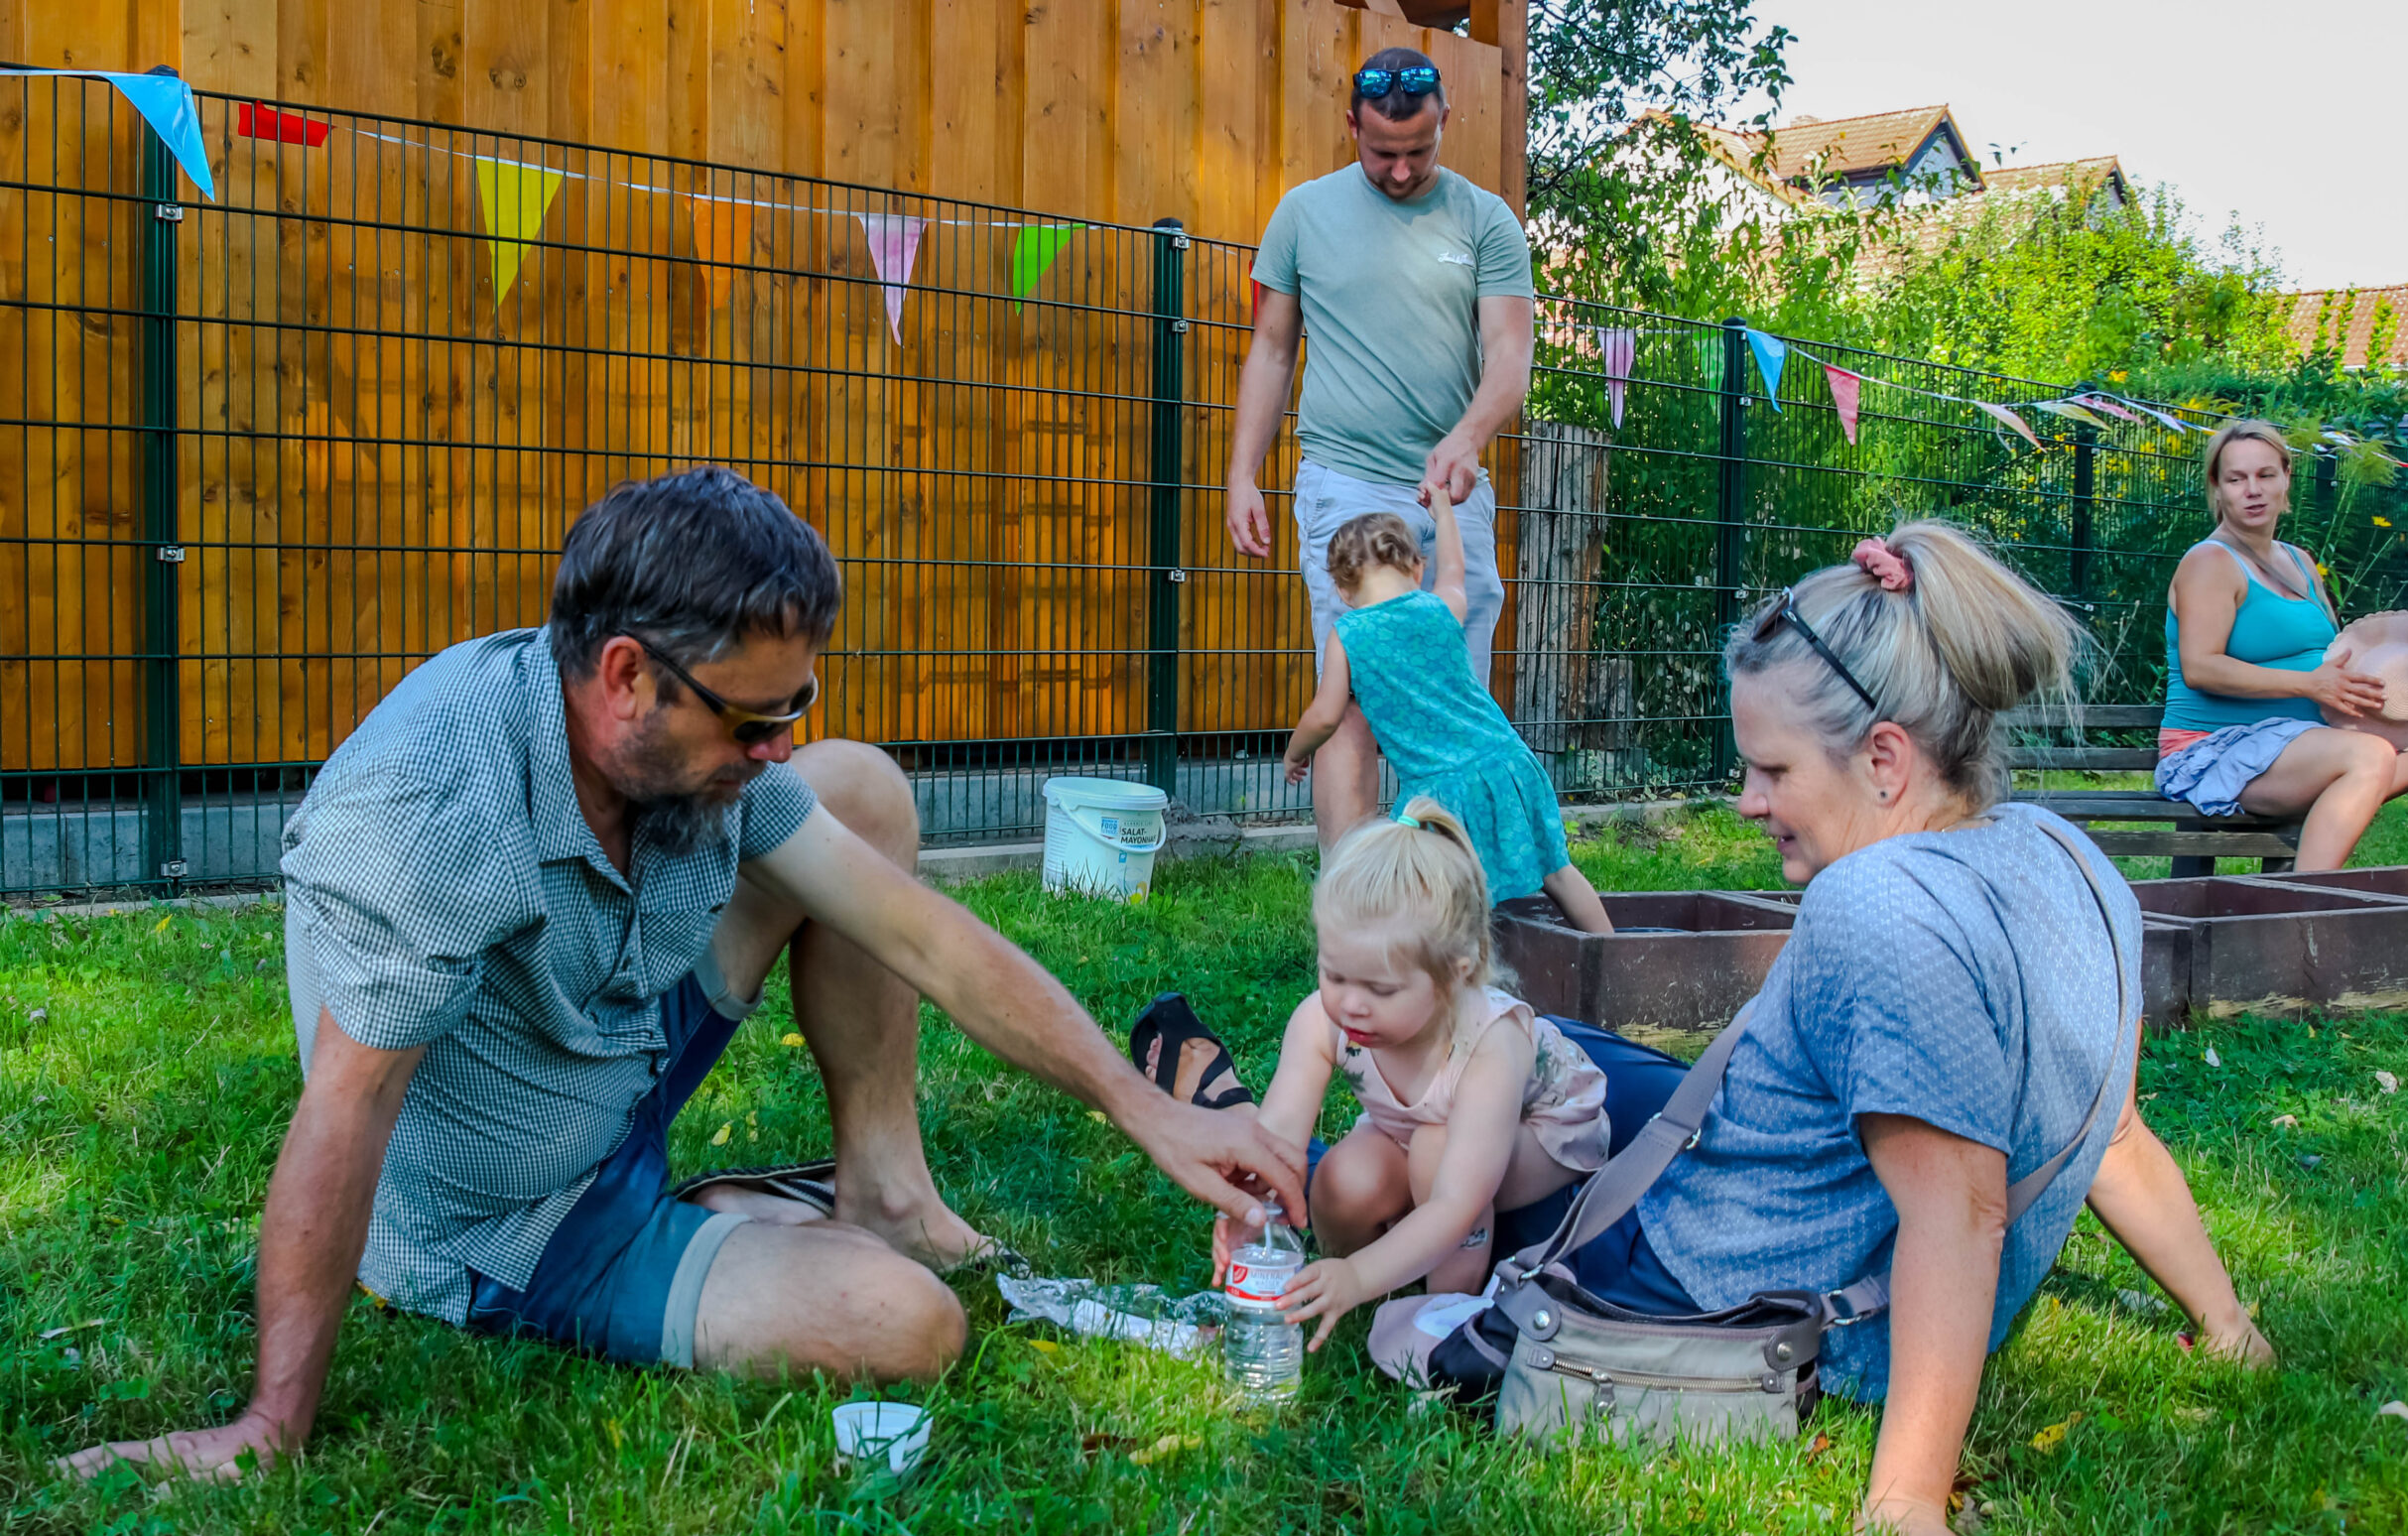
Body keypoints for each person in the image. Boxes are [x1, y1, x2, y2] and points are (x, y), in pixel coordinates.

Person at [62, 467, 1301, 1483]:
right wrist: (269, 1424)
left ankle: (880, 1192)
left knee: (858, 792)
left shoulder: (686, 748)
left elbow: (923, 938)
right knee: (911, 1327)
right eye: (753, 722)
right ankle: (719, 1229)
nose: (778, 747)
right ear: (622, 677)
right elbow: (347, 1108)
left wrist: (1150, 1110)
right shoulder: (430, 812)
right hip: (526, 1217)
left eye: (792, 705)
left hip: (617, 1050)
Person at [1546, 523, 2275, 1536]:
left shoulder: (1874, 905)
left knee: (1441, 1122)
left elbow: (1959, 1217)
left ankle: (1228, 1117)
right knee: (1556, 1052)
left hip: (1710, 1288)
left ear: (1884, 758)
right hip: (1776, 1173)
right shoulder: (2070, 858)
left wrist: (1907, 1515)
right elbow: (2111, 1137)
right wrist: (2229, 1326)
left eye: (1771, 769)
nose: (1747, 800)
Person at [1226, 45, 1536, 848]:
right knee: (1354, 699)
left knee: (1455, 703)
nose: (1400, 172)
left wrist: (1469, 437)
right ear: (1351, 126)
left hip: (1451, 492)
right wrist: (1241, 475)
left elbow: (1509, 354)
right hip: (1347, 489)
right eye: (1382, 154)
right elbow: (1271, 350)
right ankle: (1353, 912)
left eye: (1418, 153)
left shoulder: (1485, 220)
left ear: (1445, 124)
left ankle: (1456, 907)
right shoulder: (1303, 213)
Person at [1193, 801, 1611, 1346]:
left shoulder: (1491, 1045)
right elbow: (1277, 1141)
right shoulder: (1324, 1021)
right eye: (1333, 974)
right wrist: (1254, 1208)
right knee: (1343, 1179)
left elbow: (1458, 1199)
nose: (1351, 1005)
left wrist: (1362, 1277)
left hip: (1544, 1132)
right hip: (1418, 1132)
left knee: (1438, 1157)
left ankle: (1443, 1317)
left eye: (1381, 990)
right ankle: (1354, 1283)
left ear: (1454, 977)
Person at [1282, 486, 1614, 933]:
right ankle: (1613, 956)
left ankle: (1445, 978)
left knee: (1437, 894)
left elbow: (1325, 716)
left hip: (1436, 793)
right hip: (1507, 763)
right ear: (1417, 569)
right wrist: (1442, 510)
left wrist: (1296, 752)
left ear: (1342, 589)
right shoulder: (1439, 608)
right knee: (1556, 869)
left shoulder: (1349, 634)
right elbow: (1455, 572)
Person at [2158, 419, 2408, 871]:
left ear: (2287, 478)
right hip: (2216, 750)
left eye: (2266, 475)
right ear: (2218, 487)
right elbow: (2201, 668)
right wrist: (2310, 685)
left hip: (2309, 744)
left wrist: (2407, 677)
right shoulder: (2210, 562)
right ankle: (2303, 911)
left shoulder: (2299, 562)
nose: (2253, 489)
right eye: (2236, 478)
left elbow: (2334, 660)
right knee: (2368, 755)